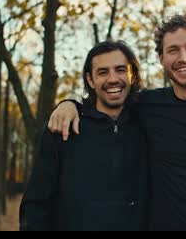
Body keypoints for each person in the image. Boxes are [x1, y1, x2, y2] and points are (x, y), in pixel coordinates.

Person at [49, 12, 186, 231]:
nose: (183, 58)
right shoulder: (146, 105)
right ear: (162, 58)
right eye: (173, 50)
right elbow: (106, 101)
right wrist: (69, 104)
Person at [19, 40, 148, 231]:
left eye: (120, 70)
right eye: (103, 72)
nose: (113, 79)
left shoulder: (149, 124)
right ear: (90, 80)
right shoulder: (64, 128)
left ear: (132, 75)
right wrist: (68, 103)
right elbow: (36, 205)